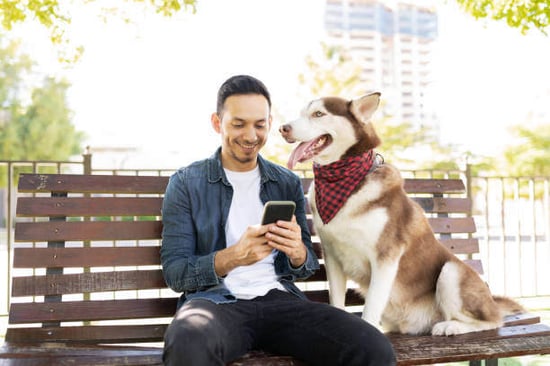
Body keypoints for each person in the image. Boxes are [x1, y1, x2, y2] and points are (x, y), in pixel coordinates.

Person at [160, 74, 396, 366]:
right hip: (217, 304)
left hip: (280, 302)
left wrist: (298, 253)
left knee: (372, 347)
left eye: (259, 124)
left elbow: (306, 265)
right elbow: (175, 272)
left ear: (269, 123)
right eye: (238, 124)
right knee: (188, 341)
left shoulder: (285, 182)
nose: (250, 135)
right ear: (217, 123)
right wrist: (231, 258)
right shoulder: (186, 183)